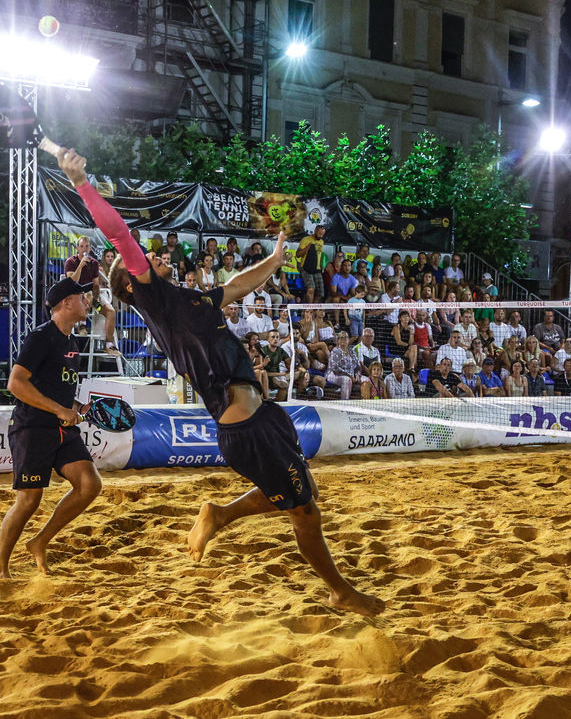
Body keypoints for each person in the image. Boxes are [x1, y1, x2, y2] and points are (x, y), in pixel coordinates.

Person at [59, 147, 383, 614]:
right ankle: (339, 590)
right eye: (146, 259)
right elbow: (119, 234)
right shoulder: (155, 300)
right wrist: (81, 183)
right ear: (130, 282)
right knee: (305, 514)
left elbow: (237, 286)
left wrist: (274, 260)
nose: (155, 256)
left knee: (303, 496)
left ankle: (221, 513)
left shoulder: (190, 300)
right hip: (244, 427)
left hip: (264, 417)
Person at [0, 278, 102, 581]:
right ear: (65, 303)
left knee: (90, 485)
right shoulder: (41, 337)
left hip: (61, 427)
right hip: (32, 427)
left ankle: (39, 541)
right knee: (29, 500)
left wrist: (78, 407)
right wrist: (60, 409)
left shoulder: (71, 341)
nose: (86, 301)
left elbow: (58, 388)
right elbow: (15, 384)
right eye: (81, 297)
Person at [296, 225, 328, 303]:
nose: (321, 235)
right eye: (319, 233)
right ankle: (309, 310)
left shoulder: (321, 242)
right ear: (315, 231)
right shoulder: (306, 240)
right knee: (311, 289)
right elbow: (298, 254)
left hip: (317, 269)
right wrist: (307, 248)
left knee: (320, 293)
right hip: (306, 268)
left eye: (322, 234)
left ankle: (313, 310)